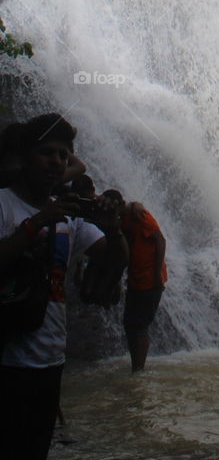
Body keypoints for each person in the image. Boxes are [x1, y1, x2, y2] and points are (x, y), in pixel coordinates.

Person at [0, 114, 126, 460]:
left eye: (64, 156)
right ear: (25, 156)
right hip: (7, 360)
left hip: (51, 361)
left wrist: (113, 228)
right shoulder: (3, 204)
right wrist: (37, 223)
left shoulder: (69, 215)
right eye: (47, 153)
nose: (57, 162)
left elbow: (114, 263)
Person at [100, 189, 167, 371]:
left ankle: (139, 368)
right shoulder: (120, 222)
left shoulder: (139, 215)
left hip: (149, 280)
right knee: (130, 324)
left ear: (120, 205)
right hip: (135, 280)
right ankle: (136, 366)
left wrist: (156, 275)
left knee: (139, 325)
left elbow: (161, 241)